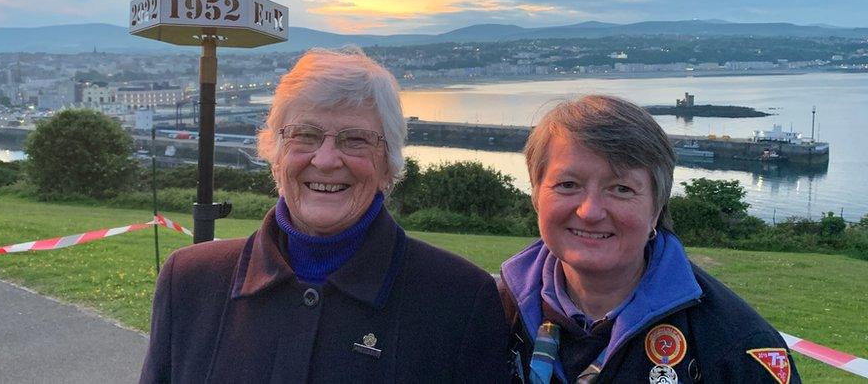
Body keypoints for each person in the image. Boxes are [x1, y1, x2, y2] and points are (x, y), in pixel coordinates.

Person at [140, 47, 509, 383]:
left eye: (356, 139)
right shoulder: (189, 282)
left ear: (388, 166)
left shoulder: (459, 299)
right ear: (276, 154)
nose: (327, 160)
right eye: (305, 135)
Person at [500, 95, 800, 383]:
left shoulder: (735, 345)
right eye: (568, 184)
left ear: (656, 207)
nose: (590, 211)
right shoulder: (489, 314)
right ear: (536, 195)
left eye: (621, 189)